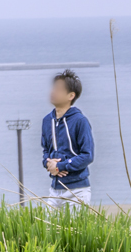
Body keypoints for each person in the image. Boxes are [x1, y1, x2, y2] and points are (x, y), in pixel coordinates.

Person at [40, 69, 94, 209]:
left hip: (77, 191)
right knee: (47, 228)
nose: (53, 92)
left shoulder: (80, 121)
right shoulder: (47, 121)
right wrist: (49, 164)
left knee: (75, 230)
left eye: (59, 89)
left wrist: (60, 166)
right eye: (54, 87)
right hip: (54, 190)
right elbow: (45, 150)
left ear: (71, 95)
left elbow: (87, 155)